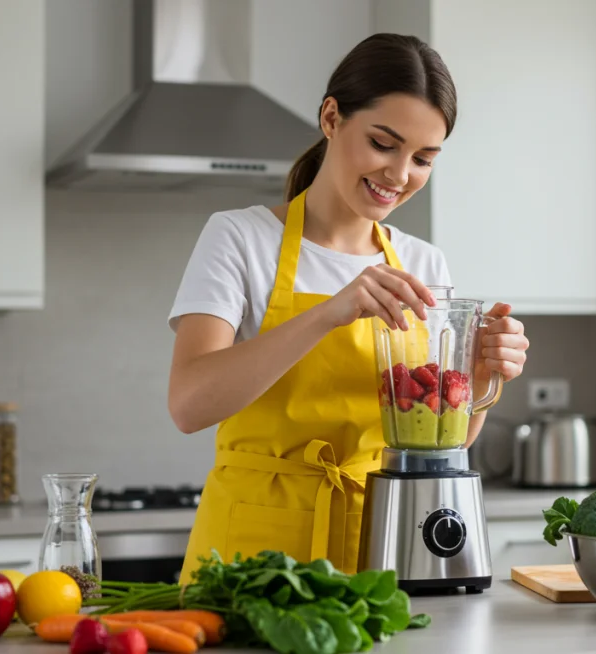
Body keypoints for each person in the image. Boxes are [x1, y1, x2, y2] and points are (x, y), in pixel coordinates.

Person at [166, 33, 530, 583]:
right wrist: (328, 313)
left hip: (378, 548)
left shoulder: (423, 263)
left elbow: (436, 447)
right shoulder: (240, 238)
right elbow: (189, 405)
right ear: (332, 118)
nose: (400, 175)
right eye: (383, 144)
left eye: (423, 159)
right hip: (248, 560)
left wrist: (480, 378)